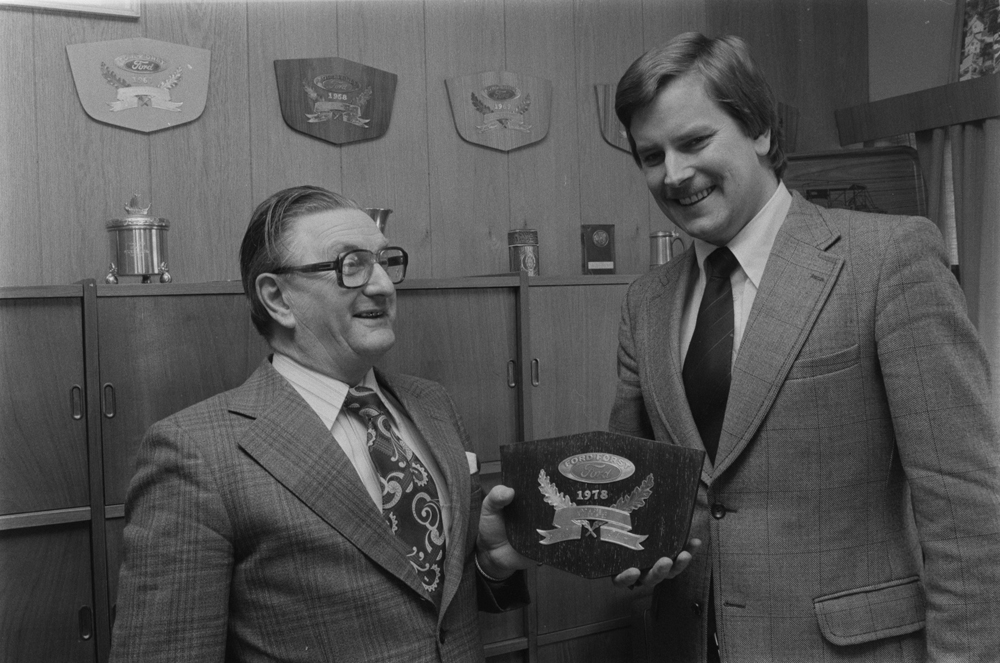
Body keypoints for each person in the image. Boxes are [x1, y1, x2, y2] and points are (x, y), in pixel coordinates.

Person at [609, 32, 1000, 662]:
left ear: (760, 130)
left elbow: (966, 507)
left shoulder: (888, 259)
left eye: (695, 142)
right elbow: (635, 488)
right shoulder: (644, 303)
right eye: (651, 156)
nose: (674, 174)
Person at [109, 185, 530, 662]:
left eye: (384, 261)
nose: (384, 286)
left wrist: (491, 567)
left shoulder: (433, 404)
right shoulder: (195, 454)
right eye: (352, 265)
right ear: (277, 298)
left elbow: (434, 607)